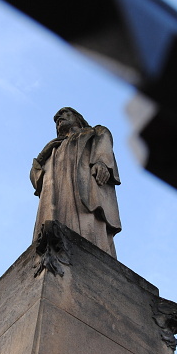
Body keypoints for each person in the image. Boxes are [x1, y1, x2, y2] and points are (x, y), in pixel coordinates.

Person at [30, 107, 121, 257]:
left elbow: (104, 140)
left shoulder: (93, 132)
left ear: (77, 118)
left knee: (90, 230)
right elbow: (36, 180)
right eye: (56, 119)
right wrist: (42, 156)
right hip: (57, 199)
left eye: (64, 113)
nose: (58, 117)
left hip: (84, 194)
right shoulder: (54, 148)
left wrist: (101, 162)